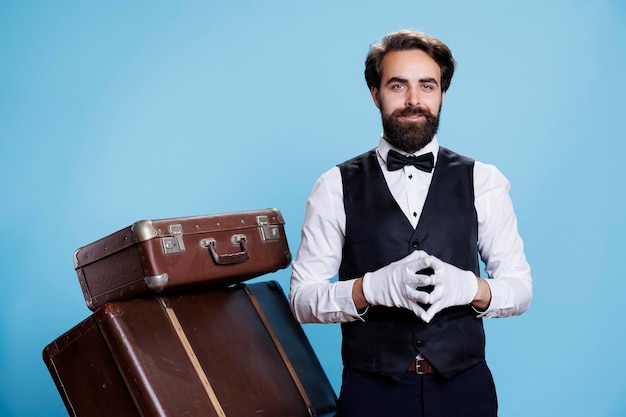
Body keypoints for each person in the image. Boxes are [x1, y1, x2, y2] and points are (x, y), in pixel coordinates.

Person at [289, 29, 533, 417]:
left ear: (442, 94)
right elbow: (302, 300)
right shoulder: (334, 185)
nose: (414, 100)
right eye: (398, 85)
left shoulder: (484, 180)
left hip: (465, 390)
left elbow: (520, 289)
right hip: (371, 393)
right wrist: (368, 289)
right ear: (375, 93)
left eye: (427, 86)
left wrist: (470, 287)